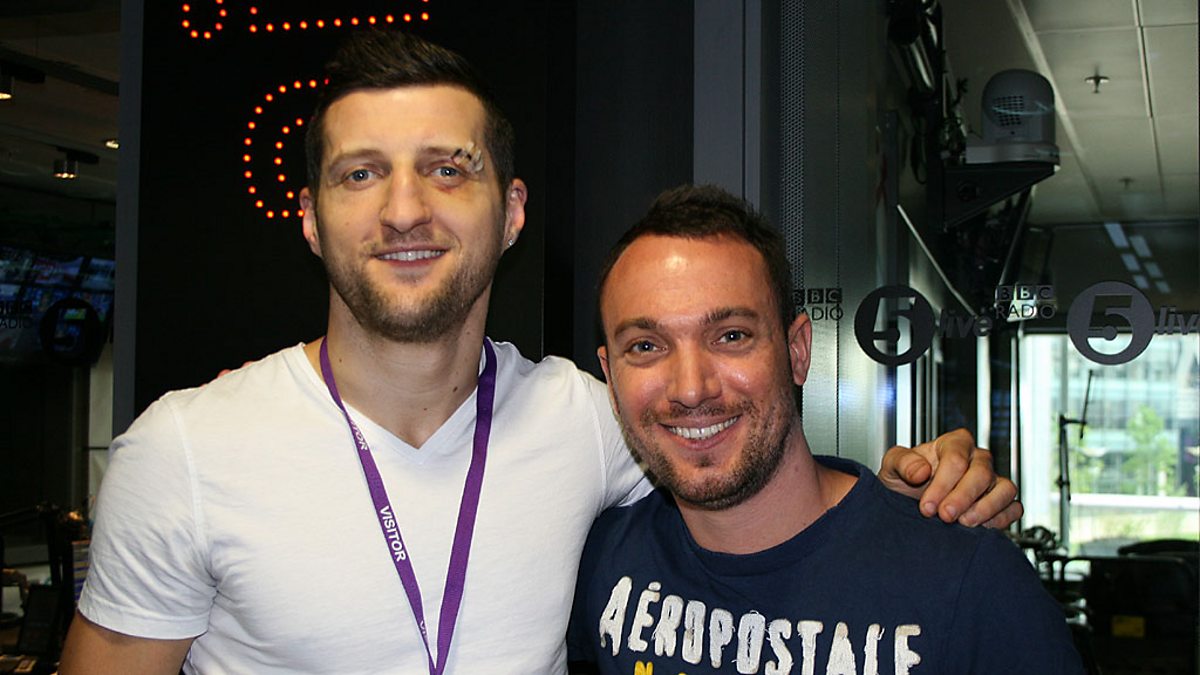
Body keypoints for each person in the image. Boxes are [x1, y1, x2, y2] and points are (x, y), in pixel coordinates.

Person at [60, 33, 1018, 674]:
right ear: (310, 218)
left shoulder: (590, 418)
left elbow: (740, 450)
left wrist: (918, 479)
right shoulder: (187, 450)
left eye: (448, 168)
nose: (404, 209)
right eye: (361, 174)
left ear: (511, 211)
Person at [567, 185, 1082, 674]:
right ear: (611, 378)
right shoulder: (599, 561)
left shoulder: (968, 583)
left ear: (797, 351)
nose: (691, 388)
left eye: (731, 336)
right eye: (645, 346)